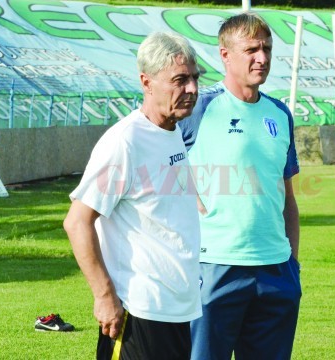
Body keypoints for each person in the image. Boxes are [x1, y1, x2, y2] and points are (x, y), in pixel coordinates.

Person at [63, 31, 201, 360]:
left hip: (177, 311)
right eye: (180, 80)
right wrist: (104, 296)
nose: (192, 89)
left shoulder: (172, 131)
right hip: (139, 313)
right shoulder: (125, 141)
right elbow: (77, 222)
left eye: (195, 78)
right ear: (146, 81)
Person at [180, 12, 301, 360]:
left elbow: (287, 196)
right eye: (251, 50)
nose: (261, 58)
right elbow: (153, 160)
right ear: (225, 55)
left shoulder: (280, 114)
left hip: (276, 270)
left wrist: (293, 263)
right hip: (214, 266)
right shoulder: (198, 107)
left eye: (266, 49)